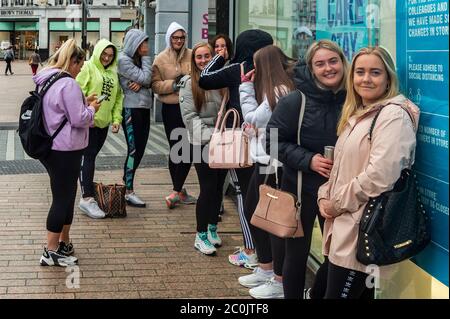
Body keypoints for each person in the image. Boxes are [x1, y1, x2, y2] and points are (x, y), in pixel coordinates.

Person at [316, 46, 419, 299]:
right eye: (359, 72)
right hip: (344, 230)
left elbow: (381, 176)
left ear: (387, 79)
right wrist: (323, 196)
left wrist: (335, 204)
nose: (366, 79)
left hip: (363, 232)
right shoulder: (359, 113)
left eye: (375, 72)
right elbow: (341, 168)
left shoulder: (393, 115)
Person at [266, 40, 348, 299]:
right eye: (320, 64)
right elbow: (271, 140)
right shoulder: (295, 101)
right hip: (300, 189)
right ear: (311, 69)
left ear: (343, 63)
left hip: (341, 192)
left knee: (338, 254)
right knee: (297, 254)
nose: (328, 68)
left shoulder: (355, 99)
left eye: (333, 61)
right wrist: (308, 160)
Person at [199, 29, 273, 269]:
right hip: (270, 143)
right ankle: (266, 252)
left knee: (244, 195)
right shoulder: (274, 70)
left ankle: (251, 250)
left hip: (240, 142)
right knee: (266, 196)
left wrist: (221, 56)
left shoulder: (239, 68)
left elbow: (205, 77)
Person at [35, 39, 101, 266]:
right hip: (66, 148)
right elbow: (79, 119)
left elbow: (61, 110)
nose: (81, 69)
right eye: (80, 64)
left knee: (66, 195)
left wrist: (84, 102)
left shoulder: (48, 78)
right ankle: (50, 250)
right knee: (62, 199)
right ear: (73, 61)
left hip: (53, 147)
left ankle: (64, 243)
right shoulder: (68, 84)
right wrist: (92, 109)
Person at [238, 45, 296, 299]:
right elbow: (261, 124)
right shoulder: (275, 90)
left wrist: (244, 87)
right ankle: (267, 268)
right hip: (266, 161)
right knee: (256, 212)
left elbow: (252, 117)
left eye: (256, 63)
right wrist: (256, 130)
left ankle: (278, 280)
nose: (253, 69)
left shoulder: (280, 91)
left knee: (270, 220)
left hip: (273, 165)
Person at [179, 42, 227, 255]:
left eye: (207, 55)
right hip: (202, 143)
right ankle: (200, 235)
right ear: (193, 60)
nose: (203, 60)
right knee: (207, 188)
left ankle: (212, 228)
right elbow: (190, 117)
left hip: (225, 141)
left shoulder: (222, 79)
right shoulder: (189, 83)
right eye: (199, 57)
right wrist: (212, 137)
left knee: (219, 188)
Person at [76, 39, 123, 219]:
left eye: (110, 56)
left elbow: (118, 98)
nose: (106, 58)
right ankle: (86, 198)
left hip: (102, 125)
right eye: (104, 54)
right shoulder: (87, 67)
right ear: (97, 52)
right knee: (87, 158)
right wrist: (87, 113)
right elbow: (76, 93)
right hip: (89, 123)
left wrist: (116, 119)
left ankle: (87, 192)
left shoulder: (113, 73)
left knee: (91, 158)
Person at [152, 22, 197, 209]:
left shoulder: (193, 54)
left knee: (189, 148)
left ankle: (177, 191)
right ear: (169, 38)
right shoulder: (160, 59)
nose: (179, 41)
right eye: (175, 37)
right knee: (176, 149)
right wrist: (173, 85)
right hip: (171, 109)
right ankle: (177, 190)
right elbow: (154, 85)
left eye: (181, 37)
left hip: (191, 108)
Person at [118, 29, 152, 207]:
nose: (146, 46)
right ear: (135, 44)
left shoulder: (136, 60)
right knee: (133, 150)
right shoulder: (124, 60)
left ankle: (127, 180)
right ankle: (128, 190)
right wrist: (144, 80)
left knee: (140, 149)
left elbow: (148, 80)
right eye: (143, 43)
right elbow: (147, 77)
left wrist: (144, 82)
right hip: (131, 109)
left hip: (144, 108)